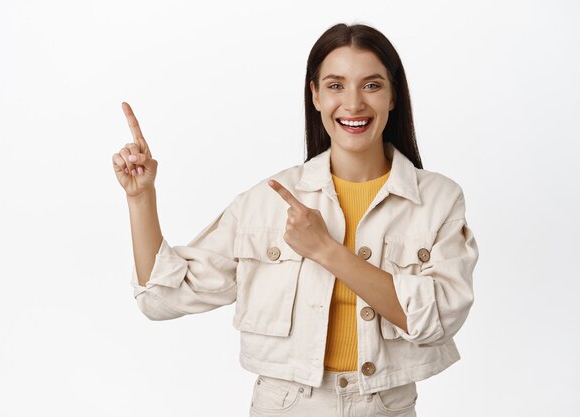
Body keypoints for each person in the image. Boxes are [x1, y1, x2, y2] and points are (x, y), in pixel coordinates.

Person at [112, 22, 479, 417]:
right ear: (315, 95)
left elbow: (438, 318)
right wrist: (141, 198)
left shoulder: (438, 199)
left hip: (385, 407)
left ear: (393, 96)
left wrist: (326, 250)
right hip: (285, 406)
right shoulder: (266, 202)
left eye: (371, 85)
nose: (353, 104)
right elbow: (161, 297)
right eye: (336, 86)